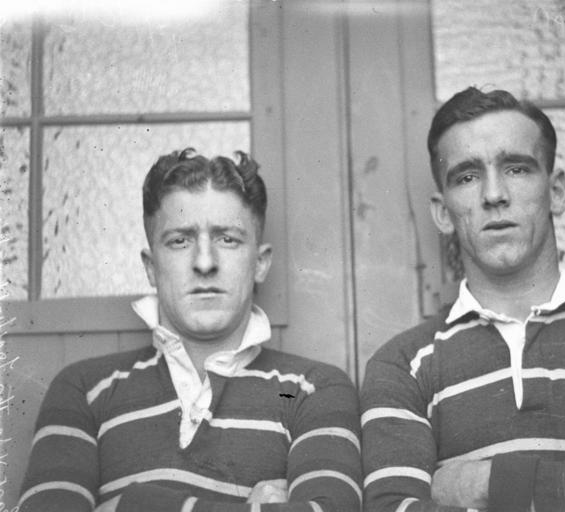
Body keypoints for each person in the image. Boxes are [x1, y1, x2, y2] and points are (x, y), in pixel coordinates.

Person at [360, 87, 565, 511]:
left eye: (516, 169)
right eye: (467, 177)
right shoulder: (402, 367)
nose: (493, 194)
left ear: (557, 191)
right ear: (442, 213)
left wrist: (485, 483)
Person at [19, 148, 362, 512]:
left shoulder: (312, 389)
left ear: (260, 263)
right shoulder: (85, 390)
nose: (204, 262)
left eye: (228, 239)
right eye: (180, 241)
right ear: (151, 267)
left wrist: (131, 505)